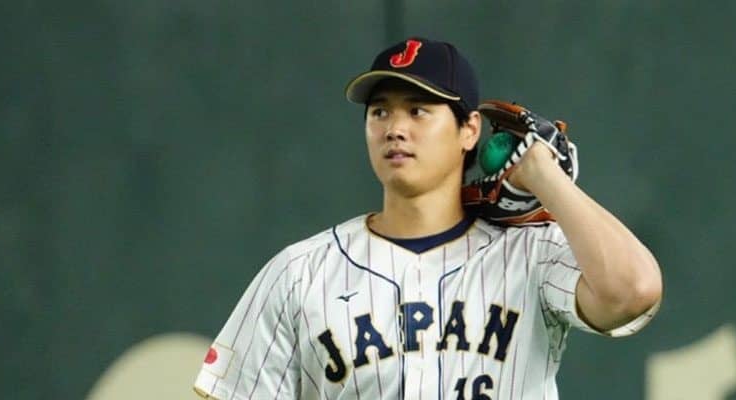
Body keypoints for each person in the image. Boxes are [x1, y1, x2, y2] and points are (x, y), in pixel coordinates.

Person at [193, 37, 663, 400]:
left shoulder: (531, 253)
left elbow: (633, 292)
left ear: (469, 130)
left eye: (418, 110)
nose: (395, 128)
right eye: (380, 112)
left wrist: (543, 174)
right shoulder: (300, 274)